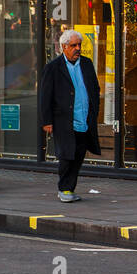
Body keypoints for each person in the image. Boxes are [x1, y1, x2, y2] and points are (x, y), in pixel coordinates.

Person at [39, 29, 101, 203]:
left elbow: (95, 89)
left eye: (79, 45)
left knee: (79, 154)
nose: (77, 48)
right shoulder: (53, 68)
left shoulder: (86, 64)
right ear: (64, 47)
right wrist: (47, 121)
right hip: (63, 121)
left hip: (84, 119)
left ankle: (70, 188)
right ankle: (64, 189)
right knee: (67, 155)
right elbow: (45, 96)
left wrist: (95, 109)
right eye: (73, 45)